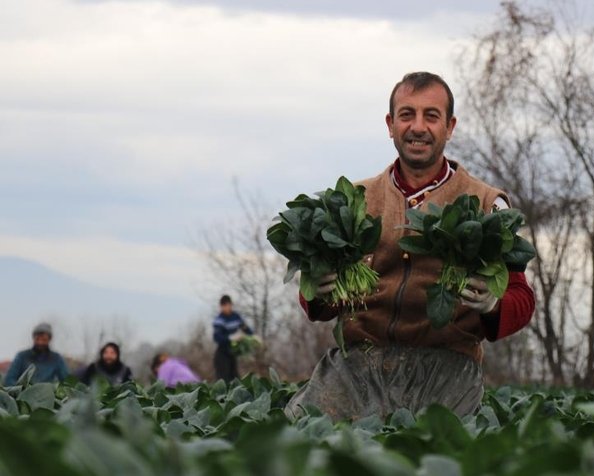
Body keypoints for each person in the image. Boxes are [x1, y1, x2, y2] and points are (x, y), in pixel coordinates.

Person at [286, 72, 536, 421]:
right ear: (390, 125)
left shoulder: (487, 205)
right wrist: (316, 290)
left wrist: (494, 305)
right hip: (357, 362)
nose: (418, 127)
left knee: (435, 447)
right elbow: (317, 304)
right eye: (407, 115)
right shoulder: (353, 199)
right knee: (300, 431)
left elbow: (521, 298)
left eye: (431, 116)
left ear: (450, 127)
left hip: (447, 366)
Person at [3, 323, 69, 386]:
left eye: (44, 340)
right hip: (23, 395)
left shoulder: (56, 358)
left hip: (48, 395)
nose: (40, 343)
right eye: (37, 339)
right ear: (33, 338)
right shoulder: (21, 356)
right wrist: (22, 389)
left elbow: (67, 381)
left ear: (49, 340)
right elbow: (9, 379)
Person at [212, 295, 253, 382]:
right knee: (223, 380)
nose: (228, 308)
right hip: (222, 354)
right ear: (221, 306)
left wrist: (250, 335)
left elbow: (245, 328)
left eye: (229, 305)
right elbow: (217, 338)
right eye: (225, 306)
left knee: (235, 379)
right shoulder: (219, 320)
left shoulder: (236, 316)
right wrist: (231, 338)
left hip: (232, 353)